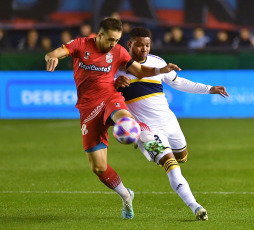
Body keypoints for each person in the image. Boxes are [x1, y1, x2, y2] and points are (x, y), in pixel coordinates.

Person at [45, 18, 180, 220]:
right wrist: (51, 56)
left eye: (117, 40)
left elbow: (140, 71)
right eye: (110, 40)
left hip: (111, 98)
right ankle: (126, 196)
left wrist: (161, 70)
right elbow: (55, 53)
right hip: (88, 109)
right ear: (99, 35)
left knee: (126, 122)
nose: (113, 44)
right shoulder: (81, 45)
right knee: (98, 167)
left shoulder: (118, 51)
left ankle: (149, 140)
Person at [114, 27, 229, 221]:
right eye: (140, 44)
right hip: (146, 130)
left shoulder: (156, 62)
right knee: (171, 165)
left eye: (147, 45)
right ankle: (196, 207)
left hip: (170, 122)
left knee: (182, 156)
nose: (144, 49)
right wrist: (115, 85)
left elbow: (179, 82)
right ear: (129, 44)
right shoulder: (117, 70)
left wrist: (209, 89)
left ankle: (150, 151)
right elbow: (106, 94)